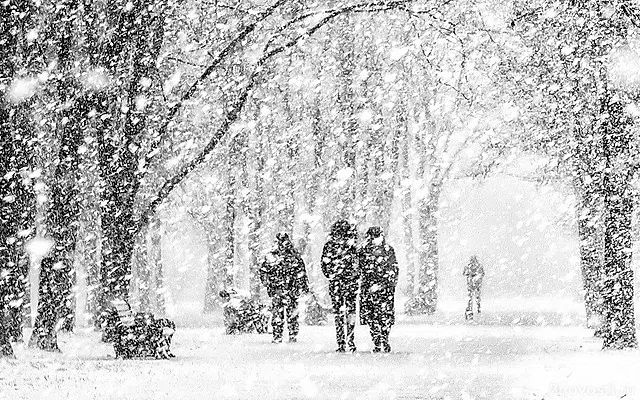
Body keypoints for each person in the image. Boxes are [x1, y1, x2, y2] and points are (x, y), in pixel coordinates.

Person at [259, 232, 309, 343]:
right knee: (288, 313)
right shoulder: (292, 255)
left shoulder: (274, 255)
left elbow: (264, 271)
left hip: (281, 288)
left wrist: (267, 282)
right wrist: (303, 285)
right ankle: (289, 334)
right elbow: (301, 270)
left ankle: (281, 334)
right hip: (288, 288)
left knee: (280, 312)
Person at [321, 220, 359, 352]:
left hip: (337, 283)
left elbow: (324, 264)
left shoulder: (330, 246)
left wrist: (332, 275)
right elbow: (358, 265)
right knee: (350, 312)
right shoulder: (352, 246)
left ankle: (342, 341)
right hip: (348, 283)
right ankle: (349, 340)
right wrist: (352, 276)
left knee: (339, 313)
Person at [359, 227, 398, 353]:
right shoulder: (366, 251)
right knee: (377, 315)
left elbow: (393, 268)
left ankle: (380, 338)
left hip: (378, 287)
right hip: (378, 287)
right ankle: (380, 338)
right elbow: (393, 268)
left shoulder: (367, 251)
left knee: (377, 315)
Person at [463, 255, 485, 320]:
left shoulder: (468, 266)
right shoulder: (478, 266)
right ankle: (476, 309)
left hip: (472, 284)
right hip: (474, 284)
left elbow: (464, 273)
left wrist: (470, 275)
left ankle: (474, 309)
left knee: (472, 297)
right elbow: (482, 273)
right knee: (474, 297)